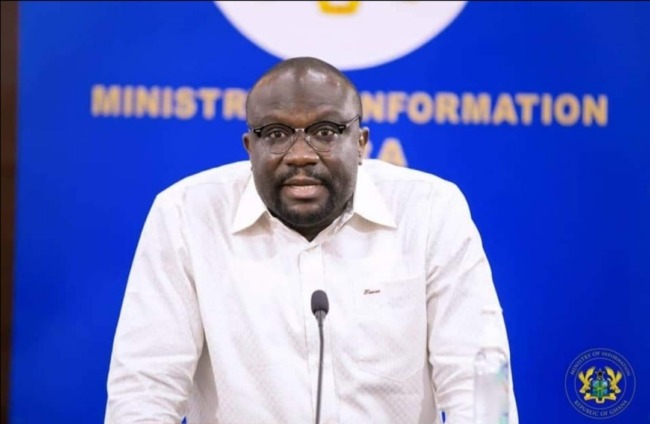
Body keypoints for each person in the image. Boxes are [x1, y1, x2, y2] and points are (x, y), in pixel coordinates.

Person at [105, 57, 518, 424]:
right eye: (276, 133)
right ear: (250, 147)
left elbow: (479, 382)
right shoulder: (187, 215)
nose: (301, 153)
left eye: (325, 131)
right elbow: (144, 391)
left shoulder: (429, 210)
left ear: (361, 143)